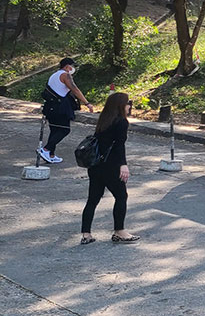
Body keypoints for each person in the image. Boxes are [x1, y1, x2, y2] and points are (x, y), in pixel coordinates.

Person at [80, 92, 138, 244]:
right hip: (111, 166)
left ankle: (86, 233)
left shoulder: (103, 120)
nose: (129, 106)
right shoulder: (122, 122)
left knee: (93, 199)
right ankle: (120, 231)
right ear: (120, 105)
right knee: (121, 196)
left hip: (96, 165)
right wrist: (123, 165)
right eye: (127, 103)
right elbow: (119, 146)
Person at [40, 57, 93, 164]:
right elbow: (75, 89)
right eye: (72, 66)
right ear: (67, 66)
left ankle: (51, 154)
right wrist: (87, 103)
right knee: (64, 129)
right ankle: (45, 149)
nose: (73, 68)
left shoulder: (54, 75)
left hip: (50, 107)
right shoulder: (65, 75)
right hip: (60, 108)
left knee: (55, 130)